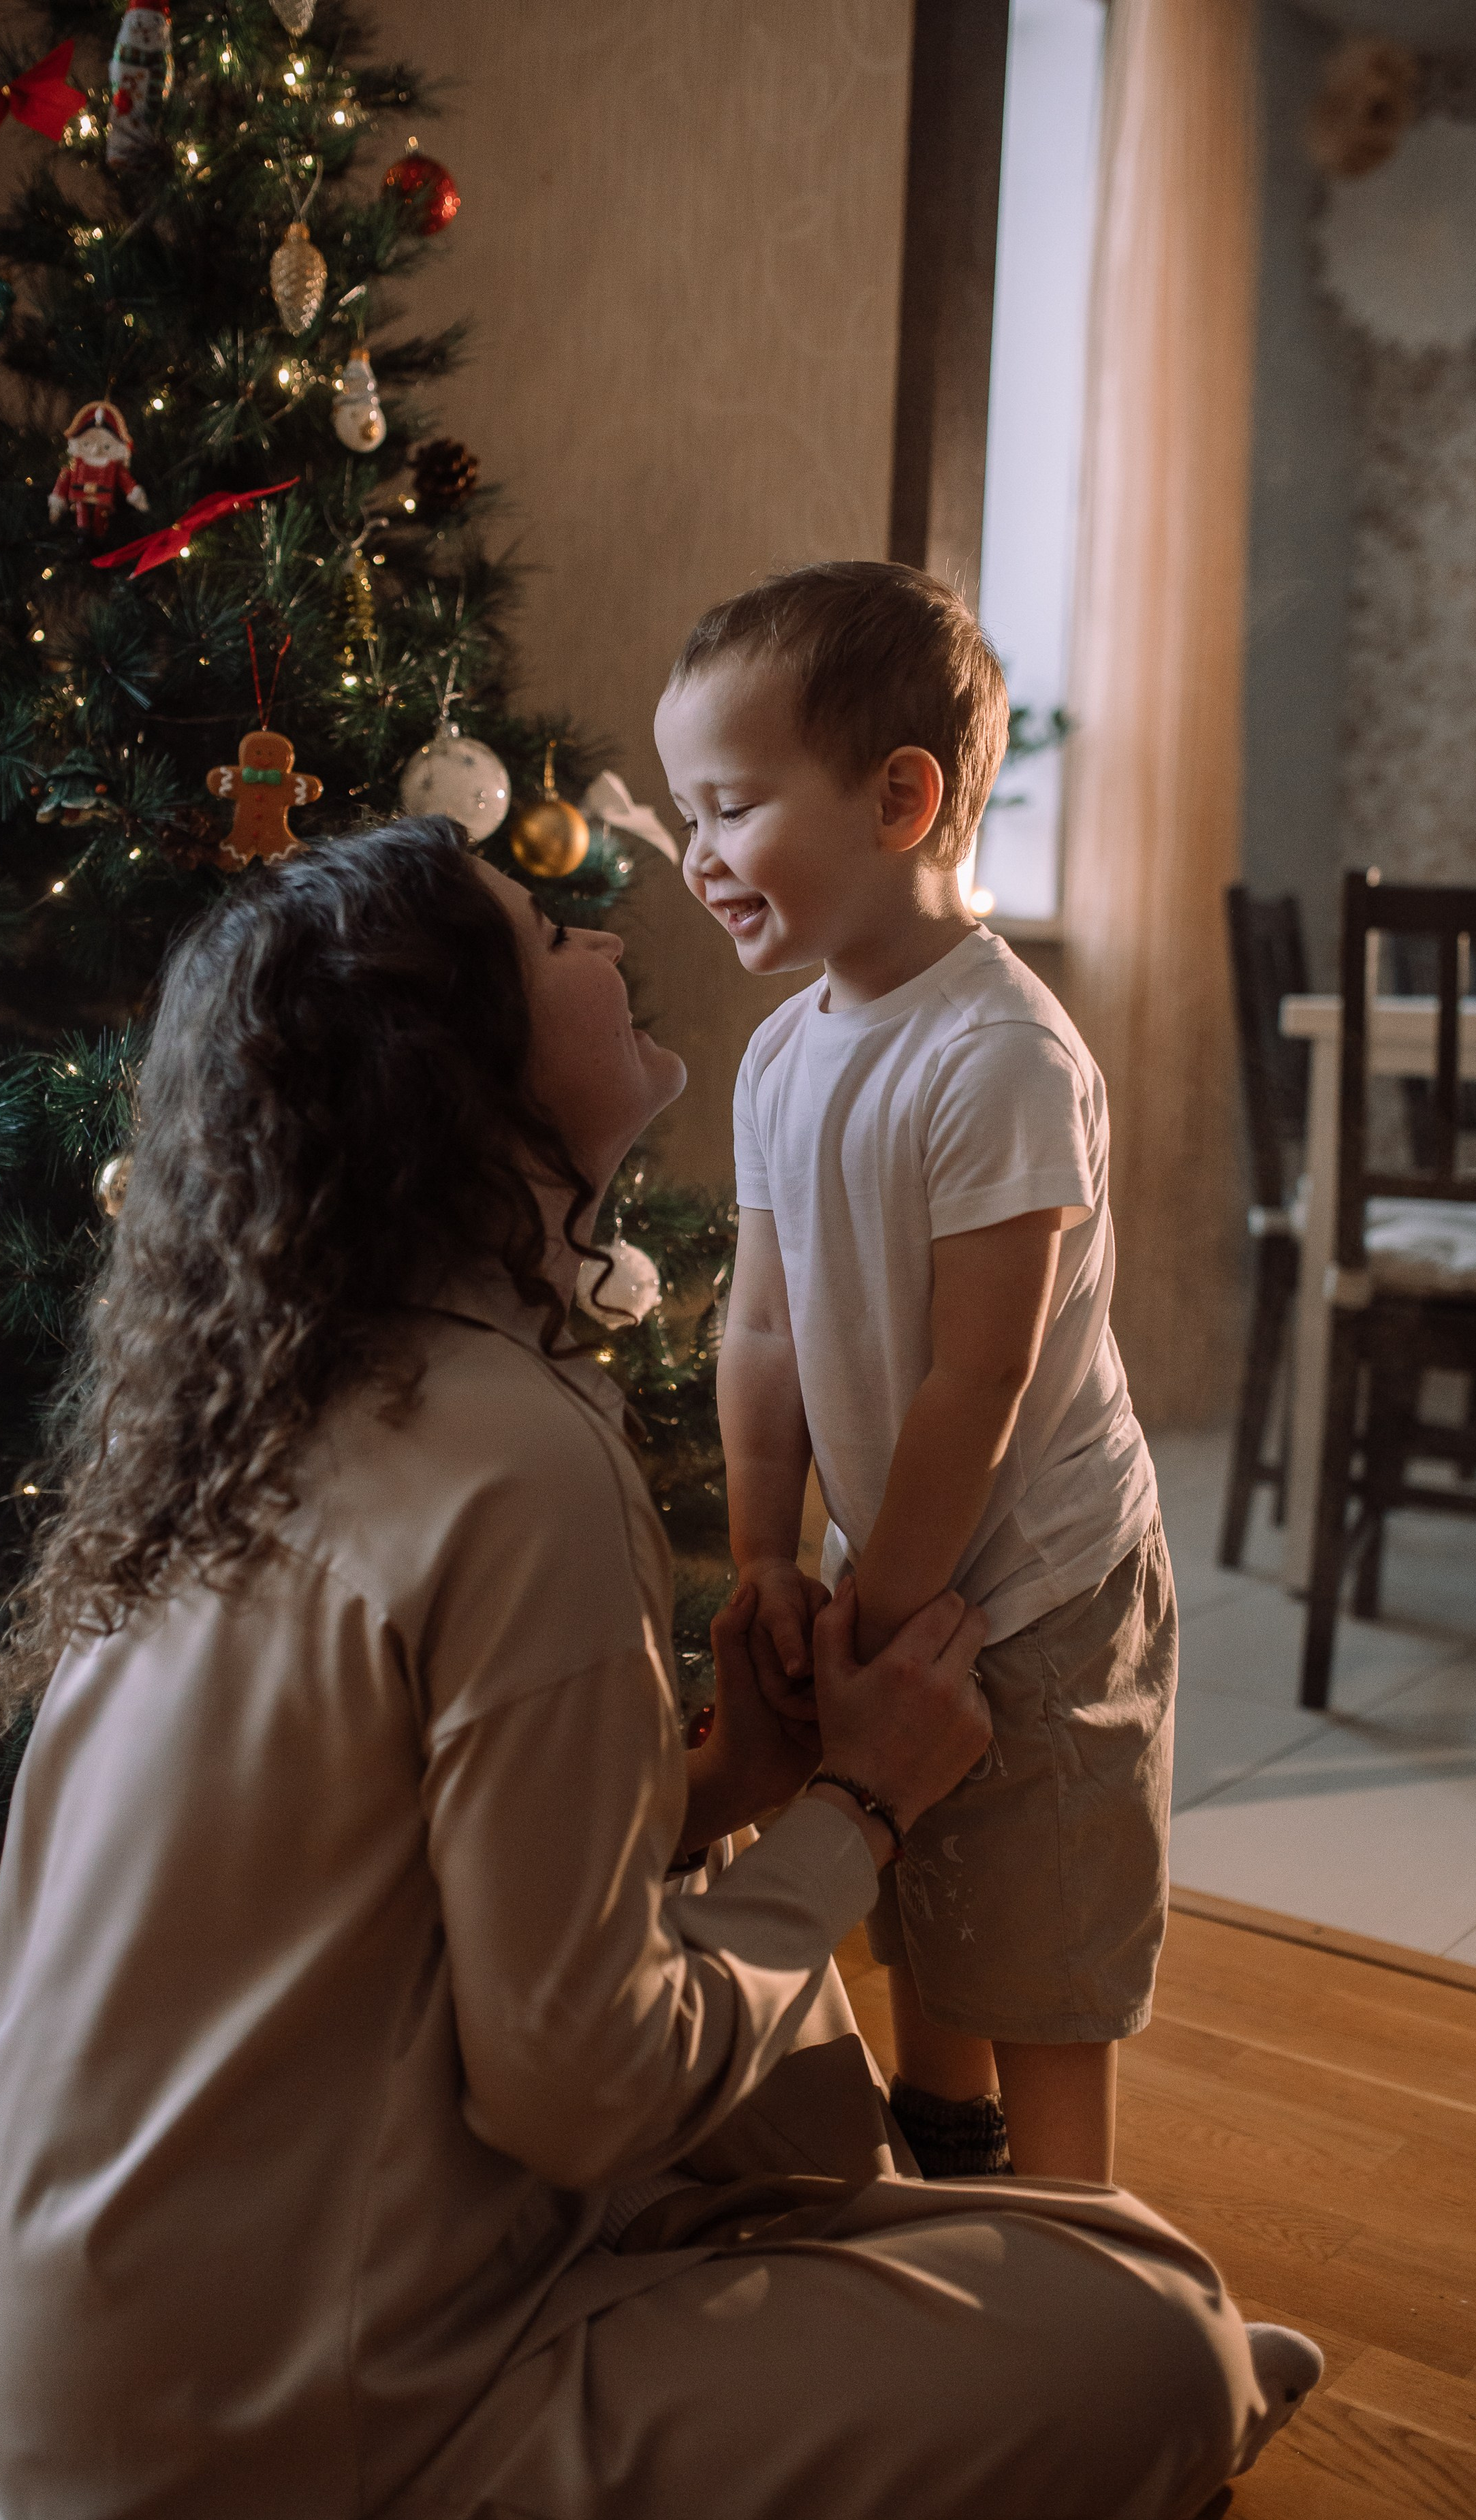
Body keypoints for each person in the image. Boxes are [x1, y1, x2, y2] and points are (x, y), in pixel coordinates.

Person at [0, 821, 1313, 2520]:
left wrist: (732, 1788)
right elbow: (580, 2088)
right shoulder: (512, 1454)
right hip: (305, 2428)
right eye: (542, 932)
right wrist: (861, 1806)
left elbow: (384, 1900)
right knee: (1141, 2320)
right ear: (464, 1078)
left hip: (114, 2381)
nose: (599, 935)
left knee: (864, 2146)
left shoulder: (279, 1399)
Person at [655, 562, 1172, 2187]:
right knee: (916, 1884)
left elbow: (978, 1378)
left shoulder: (996, 1055)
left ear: (899, 797)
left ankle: (1080, 2250)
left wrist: (880, 1602)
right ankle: (947, 2158)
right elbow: (758, 1327)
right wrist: (763, 1554)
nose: (695, 854)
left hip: (1036, 1578)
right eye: (688, 811)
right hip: (886, 1555)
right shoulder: (782, 1052)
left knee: (1038, 1920)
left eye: (731, 806)